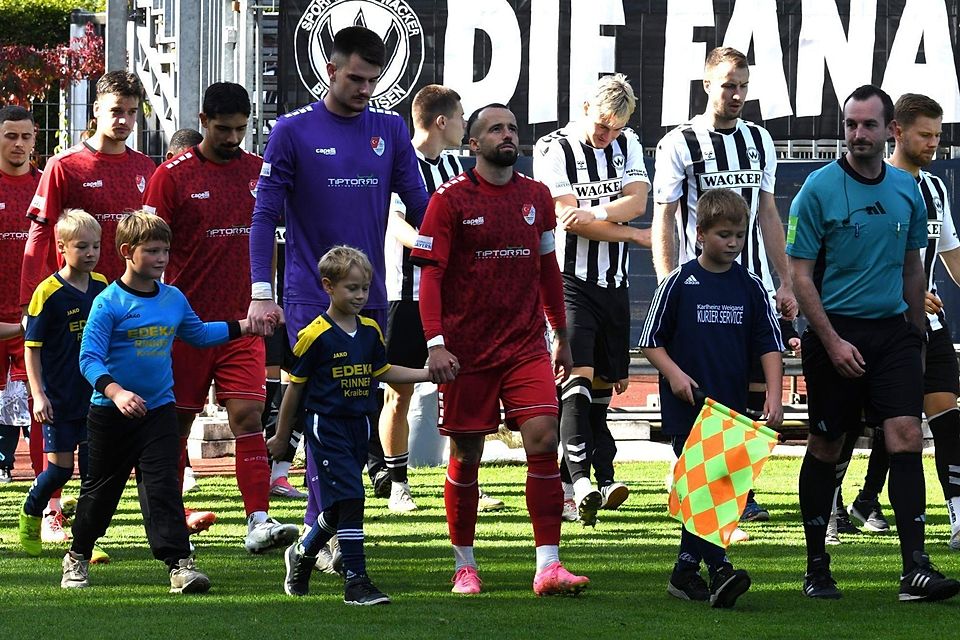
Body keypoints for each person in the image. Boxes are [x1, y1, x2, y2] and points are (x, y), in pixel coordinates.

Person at [247, 26, 429, 526]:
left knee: (356, 415)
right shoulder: (292, 130)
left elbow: (422, 208)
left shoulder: (390, 130)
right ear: (330, 70)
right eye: (355, 77)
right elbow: (264, 215)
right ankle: (320, 530)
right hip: (312, 297)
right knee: (323, 415)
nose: (364, 88)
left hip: (371, 299)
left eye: (373, 80)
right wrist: (262, 292)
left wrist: (452, 258)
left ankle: (328, 527)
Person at [787, 84, 960, 602]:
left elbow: (913, 266)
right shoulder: (816, 189)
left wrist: (912, 331)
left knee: (906, 435)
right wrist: (832, 341)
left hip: (894, 336)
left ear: (889, 131)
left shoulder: (910, 191)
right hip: (834, 332)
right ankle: (817, 566)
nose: (858, 135)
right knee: (826, 443)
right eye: (851, 125)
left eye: (868, 125)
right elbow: (800, 275)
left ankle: (915, 570)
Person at [411, 103, 589, 596]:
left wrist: (561, 334)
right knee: (466, 455)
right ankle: (464, 565)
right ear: (472, 144)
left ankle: (549, 566)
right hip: (466, 352)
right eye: (495, 128)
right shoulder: (447, 201)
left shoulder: (536, 196)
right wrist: (436, 344)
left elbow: (548, 270)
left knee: (541, 436)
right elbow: (431, 276)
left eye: (512, 127)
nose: (507, 134)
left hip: (525, 346)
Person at [61, 212, 257, 592]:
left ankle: (180, 565)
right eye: (152, 251)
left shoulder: (173, 298)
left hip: (159, 411)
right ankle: (78, 556)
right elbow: (89, 359)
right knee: (100, 495)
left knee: (164, 487)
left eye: (166, 250)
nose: (162, 258)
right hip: (110, 416)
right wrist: (116, 393)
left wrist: (244, 326)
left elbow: (198, 334)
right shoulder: (108, 302)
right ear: (126, 252)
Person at [143, 82, 297, 553]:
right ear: (204, 121)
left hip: (244, 322)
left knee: (249, 416)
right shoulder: (172, 176)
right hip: (185, 326)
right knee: (177, 426)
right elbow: (146, 244)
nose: (233, 138)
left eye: (240, 128)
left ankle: (258, 522)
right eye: (223, 129)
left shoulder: (260, 173)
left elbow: (280, 238)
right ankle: (170, 521)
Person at [652, 47, 797, 524]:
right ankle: (695, 478)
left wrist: (785, 280)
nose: (736, 95)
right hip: (700, 283)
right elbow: (666, 218)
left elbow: (769, 213)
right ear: (707, 85)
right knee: (704, 386)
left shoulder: (760, 139)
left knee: (751, 383)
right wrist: (669, 282)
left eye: (743, 86)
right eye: (728, 85)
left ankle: (739, 486)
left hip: (749, 283)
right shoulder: (679, 142)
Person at [640, 188, 783, 608]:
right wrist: (676, 376)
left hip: (729, 406)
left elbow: (768, 345)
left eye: (739, 235)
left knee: (719, 484)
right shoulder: (679, 282)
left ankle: (686, 570)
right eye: (724, 235)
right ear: (700, 233)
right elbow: (651, 342)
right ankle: (720, 568)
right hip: (688, 404)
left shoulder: (751, 286)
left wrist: (774, 394)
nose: (733, 243)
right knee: (707, 484)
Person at [829, 94, 960, 552]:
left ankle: (954, 520)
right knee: (853, 424)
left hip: (928, 324)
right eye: (926, 134)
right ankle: (840, 506)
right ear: (897, 132)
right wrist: (904, 292)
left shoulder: (935, 189)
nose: (934, 144)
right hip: (878, 321)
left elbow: (950, 256)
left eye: (939, 136)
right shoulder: (855, 185)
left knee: (940, 418)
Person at [270, 246, 431, 604]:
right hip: (326, 428)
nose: (360, 296)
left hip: (359, 426)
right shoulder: (315, 335)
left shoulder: (372, 330)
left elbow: (383, 371)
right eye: (352, 288)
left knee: (340, 506)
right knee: (353, 499)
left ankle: (302, 553)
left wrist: (427, 372)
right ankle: (356, 582)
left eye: (364, 288)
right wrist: (282, 436)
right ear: (328, 286)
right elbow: (294, 390)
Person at [533, 73, 650, 525]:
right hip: (570, 279)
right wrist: (629, 233)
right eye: (602, 126)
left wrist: (602, 213)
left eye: (616, 129)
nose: (607, 136)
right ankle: (583, 480)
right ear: (584, 108)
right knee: (576, 380)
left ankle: (577, 485)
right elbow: (569, 221)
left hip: (614, 282)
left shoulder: (630, 142)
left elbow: (638, 201)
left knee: (603, 388)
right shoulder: (552, 148)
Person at [379, 84, 465, 512]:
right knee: (399, 392)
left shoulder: (452, 165)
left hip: (451, 298)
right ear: (442, 121)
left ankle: (465, 478)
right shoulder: (400, 163)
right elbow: (395, 223)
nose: (466, 126)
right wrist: (433, 249)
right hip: (405, 296)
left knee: (462, 387)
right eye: (461, 118)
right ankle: (398, 484)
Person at [18, 210, 109, 563]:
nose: (90, 253)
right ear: (61, 247)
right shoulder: (49, 292)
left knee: (92, 473)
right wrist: (38, 393)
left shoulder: (103, 286)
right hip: (58, 398)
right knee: (59, 470)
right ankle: (31, 511)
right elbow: (32, 347)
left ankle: (84, 541)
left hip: (95, 398)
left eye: (96, 246)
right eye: (82, 246)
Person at [20, 71, 157, 301]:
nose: (124, 120)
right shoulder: (63, 165)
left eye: (132, 112)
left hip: (133, 299)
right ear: (96, 110)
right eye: (116, 111)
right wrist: (28, 302)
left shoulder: (145, 167)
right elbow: (39, 234)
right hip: (78, 299)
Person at [0, 105, 41, 484]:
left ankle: (50, 492)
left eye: (25, 136)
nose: (18, 144)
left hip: (35, 317)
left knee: (40, 404)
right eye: (10, 135)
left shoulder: (46, 186)